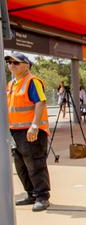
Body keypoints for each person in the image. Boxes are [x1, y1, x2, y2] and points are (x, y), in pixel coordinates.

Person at [5, 52, 52, 212]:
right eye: (9, 62)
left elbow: (40, 103)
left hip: (31, 131)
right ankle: (31, 194)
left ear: (27, 65)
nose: (11, 65)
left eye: (16, 63)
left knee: (35, 164)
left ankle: (42, 196)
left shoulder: (32, 81)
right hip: (15, 132)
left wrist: (34, 126)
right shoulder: (11, 84)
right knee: (21, 165)